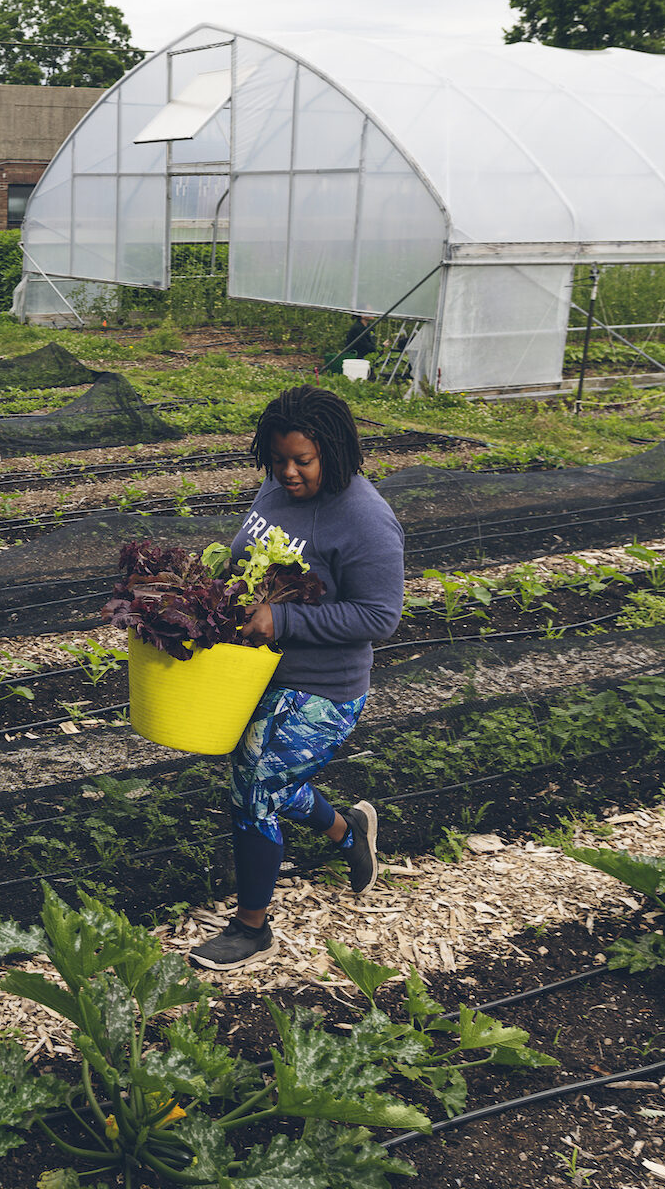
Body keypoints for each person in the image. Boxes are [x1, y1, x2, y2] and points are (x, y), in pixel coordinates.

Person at [189, 384, 405, 971]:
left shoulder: (364, 519)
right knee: (269, 781)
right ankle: (348, 831)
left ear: (333, 454)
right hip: (252, 674)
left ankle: (252, 927)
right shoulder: (275, 489)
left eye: (301, 461)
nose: (286, 472)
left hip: (324, 688)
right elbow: (247, 559)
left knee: (255, 781)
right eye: (277, 459)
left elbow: (380, 616)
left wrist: (281, 617)